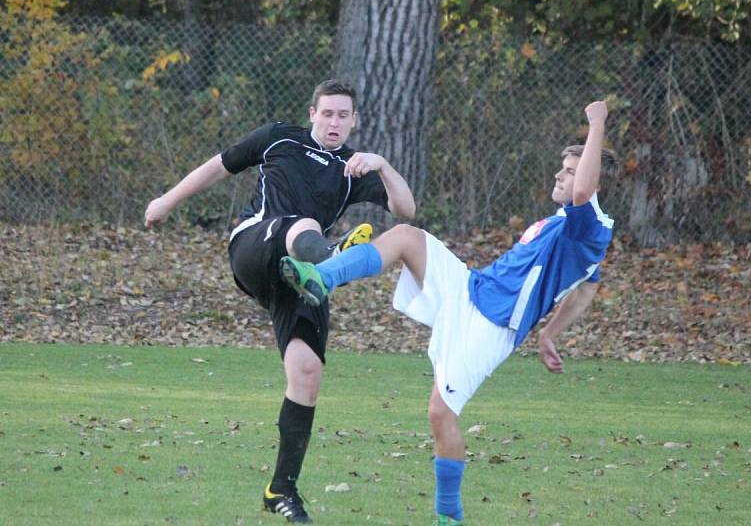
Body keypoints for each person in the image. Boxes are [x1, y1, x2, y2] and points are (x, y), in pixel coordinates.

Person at [280, 100, 617, 525]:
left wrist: (597, 122)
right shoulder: (566, 224)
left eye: (569, 170)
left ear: (591, 177)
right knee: (405, 236)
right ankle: (321, 277)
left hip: (492, 326)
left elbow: (585, 203)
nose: (560, 175)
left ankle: (449, 517)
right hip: (470, 287)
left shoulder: (591, 225)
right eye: (564, 168)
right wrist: (551, 334)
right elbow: (587, 288)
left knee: (440, 414)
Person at [144, 79, 416, 524]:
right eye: (326, 113)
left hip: (301, 275)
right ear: (312, 113)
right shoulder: (279, 137)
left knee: (307, 373)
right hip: (256, 245)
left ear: (354, 121)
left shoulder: (352, 167)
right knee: (303, 223)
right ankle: (336, 259)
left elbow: (405, 209)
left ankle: (281, 489)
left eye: (343, 115)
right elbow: (219, 166)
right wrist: (166, 201)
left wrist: (383, 164)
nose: (334, 122)